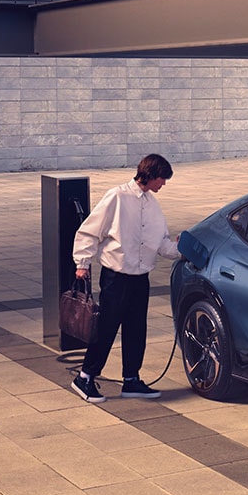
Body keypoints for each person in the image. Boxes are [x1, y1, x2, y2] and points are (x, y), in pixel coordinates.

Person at [71, 153, 181, 403]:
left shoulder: (153, 205)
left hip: (140, 278)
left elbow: (162, 245)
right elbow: (90, 230)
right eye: (162, 179)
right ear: (151, 175)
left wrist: (183, 249)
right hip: (116, 277)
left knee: (136, 329)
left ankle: (131, 380)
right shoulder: (116, 197)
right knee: (107, 328)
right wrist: (82, 262)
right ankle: (85, 377)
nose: (163, 184)